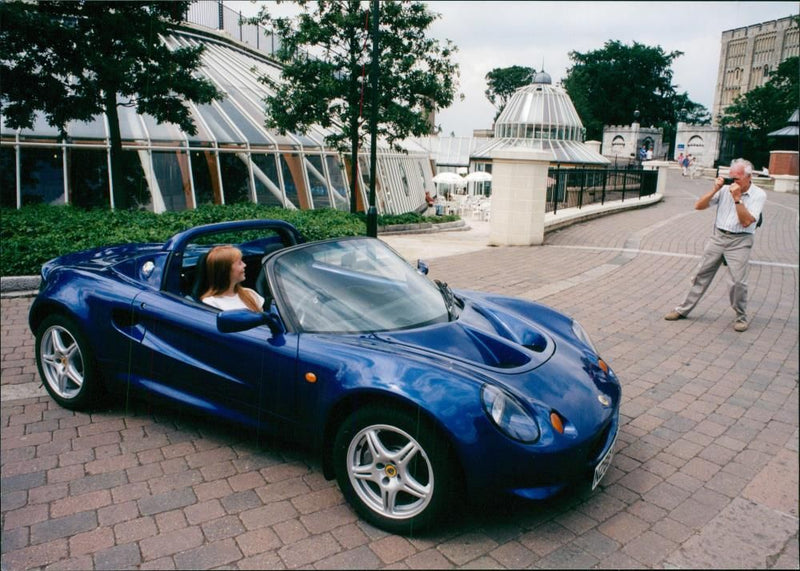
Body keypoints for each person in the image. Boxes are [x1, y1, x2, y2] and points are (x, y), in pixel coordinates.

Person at [664, 158, 766, 332]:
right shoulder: (725, 189)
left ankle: (741, 317)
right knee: (700, 274)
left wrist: (737, 199)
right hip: (718, 237)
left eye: (736, 179)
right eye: (730, 178)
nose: (732, 182)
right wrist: (715, 190)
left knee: (737, 282)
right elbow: (699, 206)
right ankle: (682, 309)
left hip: (740, 240)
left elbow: (746, 221)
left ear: (749, 177)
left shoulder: (758, 194)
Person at [201, 245, 265, 311]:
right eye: (239, 263)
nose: (244, 265)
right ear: (226, 269)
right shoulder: (211, 303)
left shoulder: (250, 293)